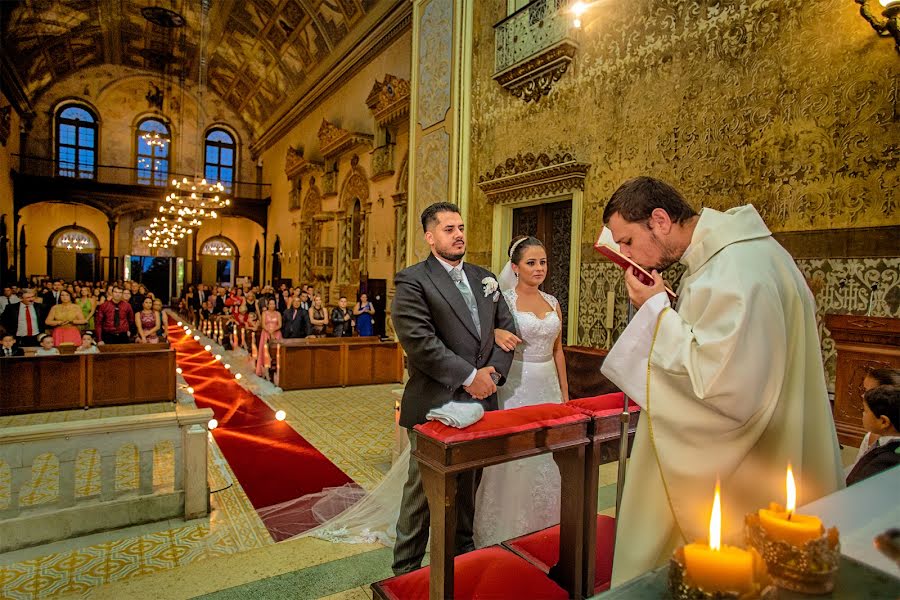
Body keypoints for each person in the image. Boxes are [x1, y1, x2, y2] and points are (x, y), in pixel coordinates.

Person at [598, 177, 844, 584]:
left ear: (659, 220)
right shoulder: (740, 257)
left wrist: (657, 311)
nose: (626, 255)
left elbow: (721, 386)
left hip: (743, 472)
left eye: (626, 241)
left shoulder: (735, 270)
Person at [391, 201, 517, 576]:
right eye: (448, 229)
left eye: (460, 227)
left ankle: (462, 565)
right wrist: (469, 376)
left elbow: (506, 331)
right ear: (430, 237)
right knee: (422, 494)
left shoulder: (484, 278)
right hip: (436, 402)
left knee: (468, 490)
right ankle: (405, 573)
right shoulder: (413, 280)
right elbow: (420, 341)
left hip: (482, 402)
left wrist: (491, 376)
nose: (459, 234)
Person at [473, 236, 569, 547]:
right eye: (531, 262)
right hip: (517, 383)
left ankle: (548, 524)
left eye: (543, 262)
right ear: (515, 268)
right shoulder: (505, 301)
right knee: (515, 453)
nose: (539, 268)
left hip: (548, 385)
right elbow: (483, 338)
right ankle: (505, 528)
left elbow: (558, 351)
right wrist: (495, 332)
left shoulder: (553, 302)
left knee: (547, 456)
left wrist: (565, 395)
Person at [846, 384, 900, 485]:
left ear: (883, 422)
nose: (862, 413)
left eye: (865, 411)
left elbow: (857, 489)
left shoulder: (883, 462)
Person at [256, 298, 282, 378]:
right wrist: (269, 332)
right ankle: (265, 370)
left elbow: (280, 325)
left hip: (276, 333)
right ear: (268, 305)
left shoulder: (278, 313)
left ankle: (276, 370)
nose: (272, 306)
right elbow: (263, 324)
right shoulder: (264, 313)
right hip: (266, 333)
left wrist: (273, 330)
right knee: (265, 351)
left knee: (277, 353)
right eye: (270, 304)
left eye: (273, 304)